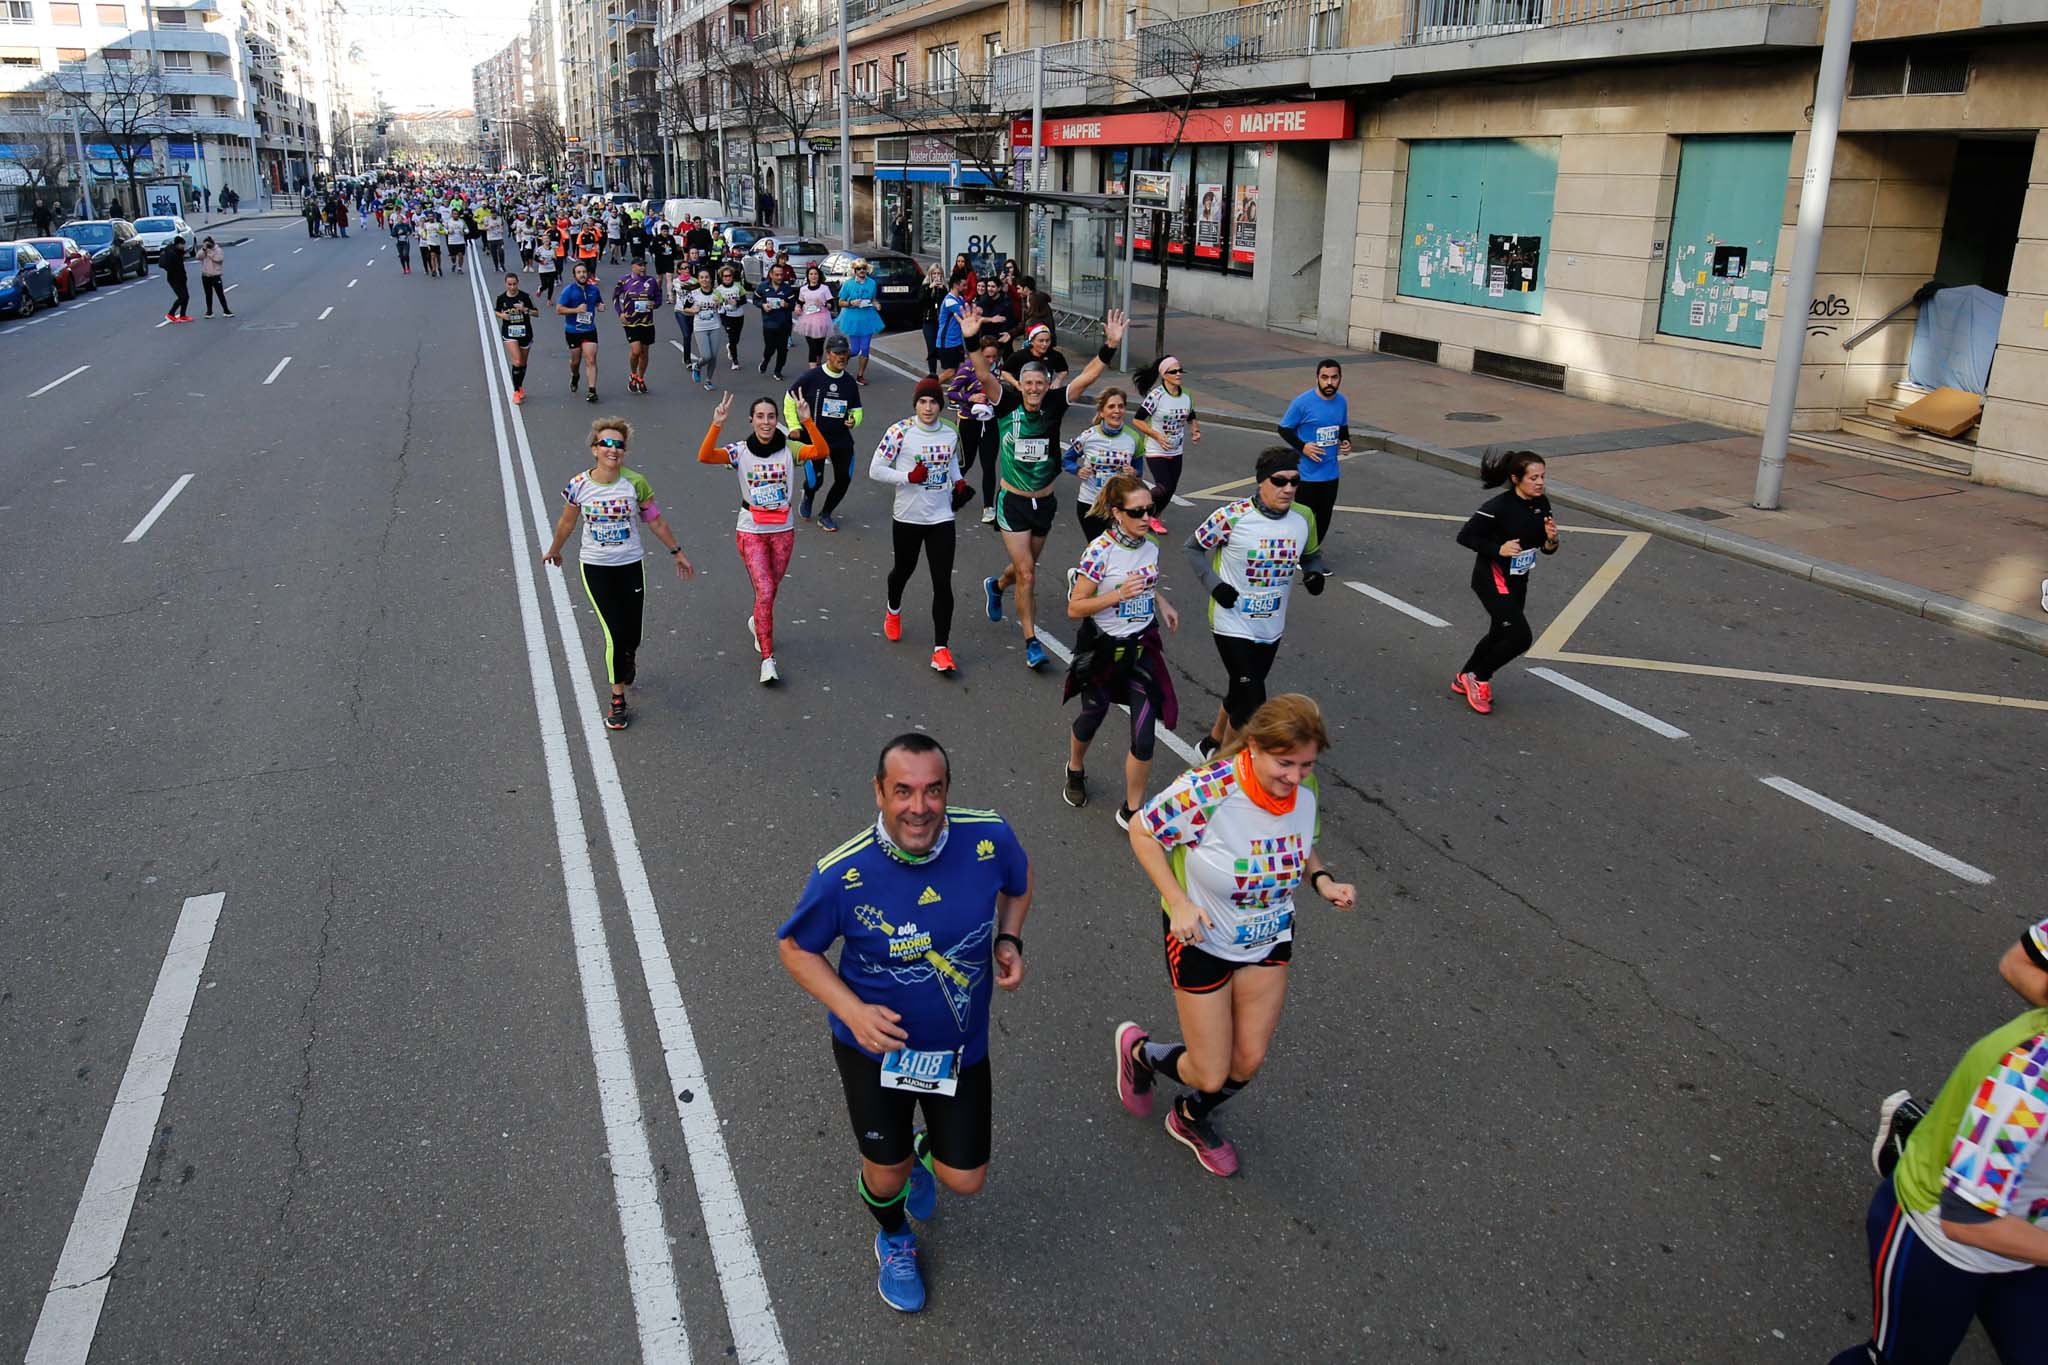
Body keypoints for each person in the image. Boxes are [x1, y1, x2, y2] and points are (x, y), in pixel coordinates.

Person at [776, 733, 1032, 1314]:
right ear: (879, 793)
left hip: (959, 1052)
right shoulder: (842, 875)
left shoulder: (989, 837)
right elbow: (795, 947)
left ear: (947, 792)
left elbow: (1018, 884)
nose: (919, 807)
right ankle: (893, 1238)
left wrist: (1010, 937)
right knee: (886, 1177)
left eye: (932, 791)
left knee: (964, 1181)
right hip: (876, 1054)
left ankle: (922, 1149)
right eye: (904, 792)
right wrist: (852, 1011)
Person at [1115, 693, 1355, 1176]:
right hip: (1202, 940)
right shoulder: (1209, 789)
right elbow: (1143, 831)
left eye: (1306, 765)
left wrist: (1322, 880)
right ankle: (1139, 1053)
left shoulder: (1305, 793)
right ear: (1254, 747)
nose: (1294, 777)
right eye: (1284, 763)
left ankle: (1188, 1117)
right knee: (1209, 1070)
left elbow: (1303, 843)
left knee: (1247, 1062)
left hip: (1269, 938)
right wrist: (1179, 901)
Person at [1830, 918, 2048, 1365]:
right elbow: (1966, 1220)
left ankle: (1929, 1136)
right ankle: (1929, 1150)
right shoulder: (2030, 1084)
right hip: (1946, 1237)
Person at [969, 305, 1127, 670]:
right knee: (1027, 573)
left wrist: (1111, 345)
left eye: (1040, 383)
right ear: (1020, 385)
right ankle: (1031, 642)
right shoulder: (1006, 402)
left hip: (1045, 502)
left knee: (1022, 569)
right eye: (1029, 384)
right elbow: (982, 371)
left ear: (1047, 384)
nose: (1035, 389)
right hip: (1013, 501)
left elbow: (1087, 378)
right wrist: (971, 337)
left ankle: (996, 586)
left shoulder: (1055, 402)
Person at [540, 417, 696, 731]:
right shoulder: (579, 485)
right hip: (596, 568)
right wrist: (555, 549)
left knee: (632, 636)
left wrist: (677, 552)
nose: (613, 449)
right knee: (614, 633)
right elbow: (567, 523)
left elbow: (655, 521)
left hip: (630, 566)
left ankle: (627, 659)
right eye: (606, 444)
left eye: (619, 445)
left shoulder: (635, 483)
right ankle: (617, 699)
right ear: (594, 449)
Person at [1185, 449, 1328, 756]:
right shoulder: (1232, 516)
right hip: (1230, 620)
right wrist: (1215, 585)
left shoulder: (1304, 517)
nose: (1288, 488)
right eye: (1279, 481)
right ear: (1262, 481)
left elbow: (1311, 556)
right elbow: (1193, 548)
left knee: (1241, 686)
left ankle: (1210, 743)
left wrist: (1315, 575)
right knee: (1252, 703)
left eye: (1294, 482)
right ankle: (1231, 770)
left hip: (1271, 624)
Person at [1061, 473, 1180, 826]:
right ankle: (1075, 767)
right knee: (1091, 718)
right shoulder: (1099, 551)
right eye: (1138, 512)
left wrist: (1162, 601)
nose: (1147, 517)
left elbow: (1145, 581)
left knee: (1144, 739)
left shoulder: (1150, 546)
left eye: (1150, 509)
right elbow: (1074, 608)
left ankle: (1131, 811)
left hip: (1140, 648)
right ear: (1117, 513)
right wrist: (1117, 596)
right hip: (1102, 649)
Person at [696, 391, 829, 685]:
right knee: (766, 589)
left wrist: (807, 421)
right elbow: (705, 456)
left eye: (771, 416)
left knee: (769, 589)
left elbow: (820, 451)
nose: (766, 422)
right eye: (760, 417)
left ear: (776, 420)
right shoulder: (740, 451)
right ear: (751, 420)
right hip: (751, 530)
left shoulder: (790, 449)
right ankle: (767, 659)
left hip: (782, 530)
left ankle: (759, 621)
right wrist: (716, 424)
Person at [871, 376, 971, 676]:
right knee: (903, 570)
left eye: (933, 402)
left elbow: (952, 461)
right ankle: (893, 609)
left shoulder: (950, 432)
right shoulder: (900, 432)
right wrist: (907, 478)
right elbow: (875, 470)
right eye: (923, 402)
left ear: (940, 405)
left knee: (942, 583)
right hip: (908, 517)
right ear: (916, 404)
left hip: (941, 517)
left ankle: (941, 648)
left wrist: (959, 481)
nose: (928, 408)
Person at [1450, 448, 1557, 715]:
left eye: (1542, 476)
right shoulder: (1497, 507)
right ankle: (1480, 678)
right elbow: (1465, 537)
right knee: (1520, 637)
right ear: (1516, 478)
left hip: (1518, 580)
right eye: (1533, 478)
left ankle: (1464, 676)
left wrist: (1551, 540)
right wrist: (1499, 549)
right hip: (1492, 578)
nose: (1540, 482)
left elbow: (1544, 548)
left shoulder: (1541, 504)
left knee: (1500, 633)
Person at [786, 334, 863, 532]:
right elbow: (789, 398)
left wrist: (854, 419)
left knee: (844, 478)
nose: (842, 357)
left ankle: (826, 513)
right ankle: (808, 495)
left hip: (840, 439)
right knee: (815, 481)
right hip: (815, 439)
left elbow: (857, 408)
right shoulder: (811, 377)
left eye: (845, 353)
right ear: (828, 354)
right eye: (837, 353)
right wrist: (794, 426)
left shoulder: (849, 382)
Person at [1275, 359, 1350, 546]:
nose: (1329, 382)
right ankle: (1298, 553)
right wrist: (1303, 447)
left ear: (1340, 379)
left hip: (1331, 472)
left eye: (1334, 378)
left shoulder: (1341, 402)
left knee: (1324, 517)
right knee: (1303, 518)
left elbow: (1342, 425)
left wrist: (1346, 441)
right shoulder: (1302, 403)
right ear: (1317, 378)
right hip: (1306, 474)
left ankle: (1311, 554)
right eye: (1325, 377)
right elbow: (1284, 429)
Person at [1062, 389, 1146, 542]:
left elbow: (1139, 471)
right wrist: (1078, 470)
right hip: (1090, 503)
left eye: (1121, 406)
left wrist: (1133, 472)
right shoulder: (1088, 436)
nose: (1117, 411)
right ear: (1101, 412)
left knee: (1119, 550)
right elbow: (1067, 460)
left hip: (1120, 505)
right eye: (1111, 407)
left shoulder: (1133, 438)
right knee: (1097, 550)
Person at [1134, 357, 1199, 536]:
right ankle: (1135, 502)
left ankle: (1153, 517)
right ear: (1164, 375)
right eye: (1173, 372)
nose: (1178, 374)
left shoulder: (1186, 395)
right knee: (1164, 486)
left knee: (1171, 489)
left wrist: (1195, 430)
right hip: (1156, 449)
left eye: (1180, 371)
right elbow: (1137, 420)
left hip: (1176, 449)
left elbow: (1190, 415)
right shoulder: (1156, 396)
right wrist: (1157, 435)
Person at [556, 261, 605, 405]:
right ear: (574, 275)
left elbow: (598, 302)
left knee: (590, 359)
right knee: (575, 361)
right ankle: (575, 375)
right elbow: (559, 309)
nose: (582, 274)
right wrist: (576, 310)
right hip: (573, 331)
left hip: (589, 330)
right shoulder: (568, 290)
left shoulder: (594, 290)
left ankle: (592, 390)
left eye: (584, 272)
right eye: (579, 272)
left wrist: (600, 306)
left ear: (587, 274)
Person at [612, 257, 661, 396]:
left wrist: (654, 304)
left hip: (647, 322)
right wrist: (620, 313)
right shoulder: (624, 280)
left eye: (644, 265)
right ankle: (633, 373)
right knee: (636, 351)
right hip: (631, 321)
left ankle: (640, 377)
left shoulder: (651, 281)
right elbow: (615, 297)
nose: (642, 268)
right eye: (639, 265)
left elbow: (658, 298)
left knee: (644, 353)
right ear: (632, 266)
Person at [835, 258, 884, 384]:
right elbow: (840, 302)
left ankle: (860, 375)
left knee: (865, 348)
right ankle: (838, 360)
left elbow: (873, 299)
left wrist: (877, 304)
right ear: (854, 270)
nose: (862, 271)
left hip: (868, 318)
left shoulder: (872, 283)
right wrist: (851, 302)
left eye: (864, 268)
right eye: (859, 269)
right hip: (853, 319)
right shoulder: (848, 284)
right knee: (855, 350)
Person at [495, 272, 538, 405]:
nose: (512, 287)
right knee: (517, 361)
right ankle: (516, 392)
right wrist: (502, 316)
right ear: (505, 284)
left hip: (525, 333)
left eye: (514, 284)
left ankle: (519, 386)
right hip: (510, 333)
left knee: (523, 363)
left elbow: (536, 313)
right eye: (509, 284)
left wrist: (525, 309)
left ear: (518, 283)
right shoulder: (501, 298)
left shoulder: (525, 297)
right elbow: (496, 311)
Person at [679, 266, 724, 390]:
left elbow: (722, 309)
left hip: (714, 325)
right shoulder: (694, 294)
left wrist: (719, 304)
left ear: (710, 279)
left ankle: (708, 380)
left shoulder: (717, 293)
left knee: (714, 356)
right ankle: (697, 365)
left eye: (707, 277)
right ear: (698, 280)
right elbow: (685, 309)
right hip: (700, 328)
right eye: (702, 278)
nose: (704, 280)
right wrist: (693, 310)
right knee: (706, 356)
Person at [754, 261, 797, 379]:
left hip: (784, 324)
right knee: (770, 348)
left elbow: (794, 305)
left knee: (783, 350)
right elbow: (755, 300)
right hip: (769, 324)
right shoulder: (763, 286)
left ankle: (778, 371)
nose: (779, 277)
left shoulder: (787, 288)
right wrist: (762, 305)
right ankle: (765, 360)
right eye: (777, 275)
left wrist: (786, 304)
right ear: (771, 275)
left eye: (781, 275)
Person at [1002, 324, 1068, 392]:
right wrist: (1016, 384)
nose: (1045, 344)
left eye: (1047, 341)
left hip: (1044, 393)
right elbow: (1005, 372)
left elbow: (1063, 370)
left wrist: (1057, 381)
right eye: (1041, 341)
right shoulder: (1020, 355)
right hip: (1022, 394)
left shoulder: (1055, 355)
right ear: (1032, 342)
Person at [794, 264, 836, 367]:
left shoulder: (824, 288)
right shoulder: (803, 289)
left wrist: (824, 303)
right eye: (811, 274)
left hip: (822, 319)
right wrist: (798, 308)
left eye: (815, 274)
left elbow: (832, 305)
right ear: (807, 276)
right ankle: (813, 371)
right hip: (807, 319)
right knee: (812, 346)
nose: (813, 276)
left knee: (819, 346)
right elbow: (800, 302)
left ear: (819, 275)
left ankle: (818, 363)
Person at [933, 274, 971, 381]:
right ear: (956, 285)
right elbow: (967, 313)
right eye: (964, 285)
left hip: (956, 342)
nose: (966, 288)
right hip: (947, 342)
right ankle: (928, 387)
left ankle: (955, 394)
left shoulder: (959, 298)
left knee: (961, 370)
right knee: (950, 372)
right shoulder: (950, 301)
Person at [713, 262, 749, 372]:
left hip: (738, 315)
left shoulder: (738, 287)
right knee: (732, 338)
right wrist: (720, 303)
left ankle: (730, 347)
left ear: (732, 276)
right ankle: (735, 361)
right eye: (725, 276)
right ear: (721, 277)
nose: (727, 278)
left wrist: (736, 302)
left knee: (736, 338)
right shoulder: (719, 290)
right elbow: (716, 303)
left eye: (729, 276)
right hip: (726, 315)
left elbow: (744, 300)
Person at [918, 265, 948, 376]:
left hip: (941, 322)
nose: (936, 276)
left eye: (939, 274)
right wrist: (930, 288)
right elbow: (921, 301)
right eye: (934, 274)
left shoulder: (944, 288)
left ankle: (947, 371)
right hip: (929, 321)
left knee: (942, 347)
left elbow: (946, 304)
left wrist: (942, 290)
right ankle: (933, 373)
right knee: (931, 348)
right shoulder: (925, 287)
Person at [197, 236, 231, 318]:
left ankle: (226, 310)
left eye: (208, 244)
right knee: (208, 294)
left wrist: (209, 253)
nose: (207, 246)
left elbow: (219, 259)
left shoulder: (217, 250)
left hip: (215, 275)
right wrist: (204, 250)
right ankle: (209, 311)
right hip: (205, 275)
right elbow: (198, 257)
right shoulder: (204, 250)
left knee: (220, 294)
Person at [160, 236, 191, 323]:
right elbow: (169, 265)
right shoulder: (171, 253)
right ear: (177, 244)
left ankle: (183, 315)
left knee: (186, 297)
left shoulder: (178, 252)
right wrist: (174, 271)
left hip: (181, 277)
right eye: (182, 245)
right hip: (174, 278)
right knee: (182, 297)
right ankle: (170, 314)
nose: (183, 246)